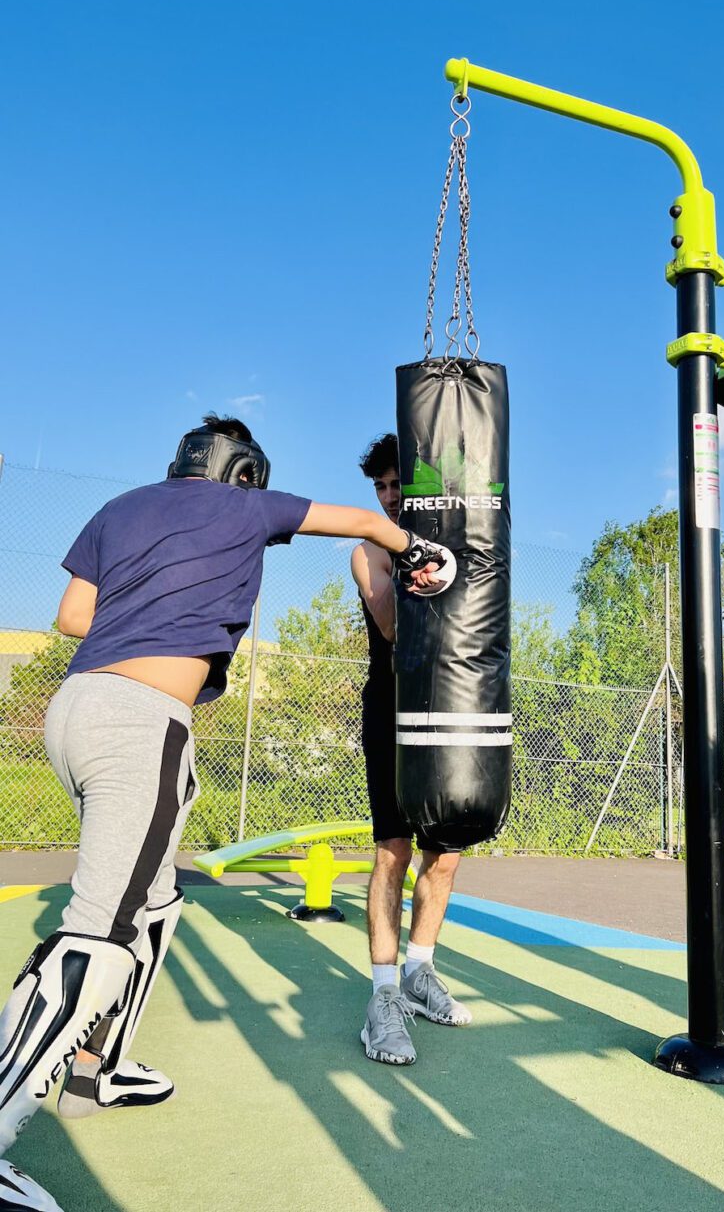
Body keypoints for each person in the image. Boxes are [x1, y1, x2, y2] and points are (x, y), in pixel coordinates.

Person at [0, 414, 446, 1211]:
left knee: (156, 903)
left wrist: (149, 609)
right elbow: (360, 522)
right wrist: (415, 550)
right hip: (141, 724)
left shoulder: (122, 507)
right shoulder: (246, 506)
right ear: (245, 471)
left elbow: (73, 617)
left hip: (74, 710)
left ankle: (102, 1071)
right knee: (99, 924)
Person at [351, 433, 471, 1067]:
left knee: (445, 854)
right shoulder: (369, 549)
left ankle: (422, 972)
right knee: (394, 848)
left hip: (453, 702)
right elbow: (394, 625)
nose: (392, 496)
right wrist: (411, 561)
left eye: (400, 484)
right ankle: (385, 997)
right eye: (382, 488)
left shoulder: (455, 540)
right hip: (391, 705)